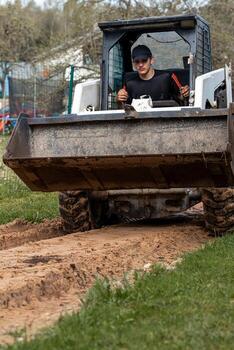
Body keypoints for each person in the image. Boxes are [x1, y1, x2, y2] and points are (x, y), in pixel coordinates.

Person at [116, 45, 189, 106]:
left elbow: (182, 97)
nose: (140, 65)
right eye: (137, 61)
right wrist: (119, 99)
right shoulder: (129, 82)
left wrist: (185, 93)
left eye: (144, 60)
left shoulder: (167, 77)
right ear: (133, 63)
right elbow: (123, 106)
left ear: (151, 60)